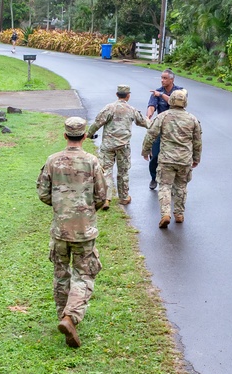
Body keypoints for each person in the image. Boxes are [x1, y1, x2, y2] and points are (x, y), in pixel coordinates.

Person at [36, 116, 108, 348]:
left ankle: (63, 315)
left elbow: (43, 193)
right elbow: (101, 195)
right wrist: (87, 210)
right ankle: (71, 317)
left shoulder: (52, 161)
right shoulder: (92, 162)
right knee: (84, 274)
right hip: (84, 230)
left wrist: (61, 206)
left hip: (60, 229)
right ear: (84, 136)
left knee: (61, 273)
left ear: (65, 135)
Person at [141, 88, 202, 228]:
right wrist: (196, 158)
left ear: (171, 101)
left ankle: (165, 214)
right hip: (184, 159)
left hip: (166, 159)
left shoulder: (162, 117)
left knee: (165, 186)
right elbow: (197, 141)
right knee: (181, 186)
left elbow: (151, 135)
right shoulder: (192, 119)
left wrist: (145, 151)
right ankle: (179, 214)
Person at [86, 84, 148, 209]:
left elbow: (97, 123)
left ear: (116, 94)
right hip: (123, 147)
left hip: (108, 145)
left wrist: (89, 134)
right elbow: (144, 122)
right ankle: (124, 198)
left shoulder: (109, 108)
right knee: (123, 172)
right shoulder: (132, 109)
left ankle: (105, 199)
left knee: (106, 171)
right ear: (128, 96)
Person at [145, 68, 184, 190]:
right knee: (155, 154)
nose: (162, 80)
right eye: (161, 78)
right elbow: (152, 106)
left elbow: (176, 102)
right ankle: (154, 177)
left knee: (176, 155)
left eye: (165, 78)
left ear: (172, 79)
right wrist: (149, 116)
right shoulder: (157, 92)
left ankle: (173, 181)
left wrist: (162, 95)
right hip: (161, 126)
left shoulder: (180, 92)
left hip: (176, 127)